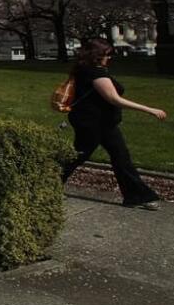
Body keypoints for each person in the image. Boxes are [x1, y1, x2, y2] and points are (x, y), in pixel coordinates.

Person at [61, 38, 164, 209]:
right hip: (93, 123)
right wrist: (149, 109)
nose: (109, 58)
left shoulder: (86, 70)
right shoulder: (95, 73)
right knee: (79, 155)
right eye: (107, 55)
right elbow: (114, 99)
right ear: (98, 55)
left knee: (120, 157)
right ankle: (48, 182)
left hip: (101, 122)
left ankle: (136, 196)